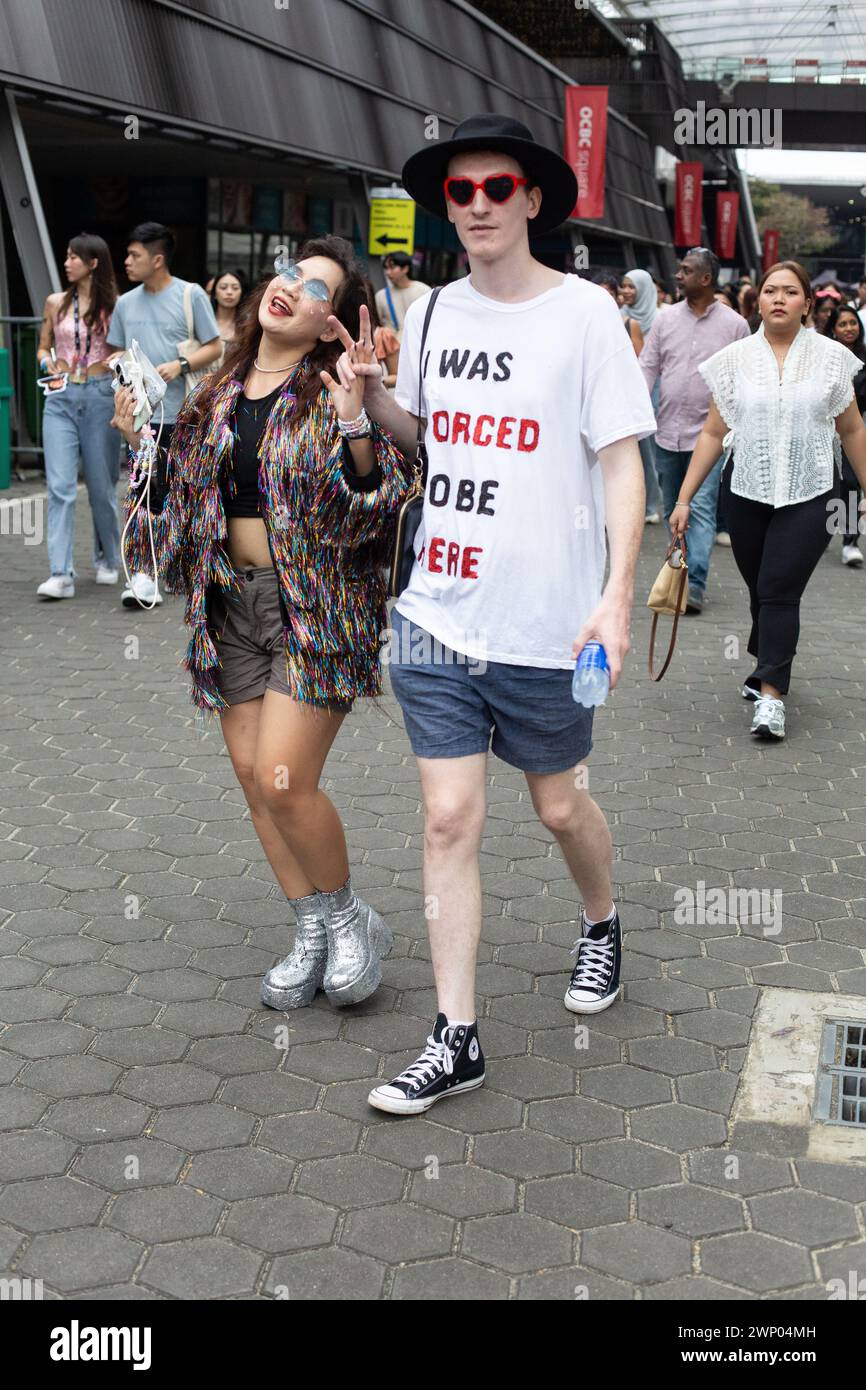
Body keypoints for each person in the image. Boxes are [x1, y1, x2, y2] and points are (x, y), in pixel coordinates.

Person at [328, 113, 656, 1116]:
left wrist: (612, 595)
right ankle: (455, 1035)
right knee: (445, 817)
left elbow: (618, 461)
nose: (472, 205)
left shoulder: (584, 316)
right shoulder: (428, 314)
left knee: (556, 806)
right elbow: (424, 440)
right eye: (456, 192)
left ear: (530, 199)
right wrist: (366, 400)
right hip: (434, 611)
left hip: (545, 622)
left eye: (492, 187)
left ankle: (597, 919)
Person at [114, 236, 413, 1011]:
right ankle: (311, 928)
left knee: (285, 778)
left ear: (327, 325)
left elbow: (373, 514)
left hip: (313, 610)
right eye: (287, 274)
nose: (289, 288)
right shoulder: (216, 394)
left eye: (314, 288)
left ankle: (353, 920)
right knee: (253, 779)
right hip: (229, 606)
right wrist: (138, 450)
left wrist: (354, 421)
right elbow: (172, 525)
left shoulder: (334, 389)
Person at [670, 261, 866, 740]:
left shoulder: (834, 359)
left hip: (813, 488)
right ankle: (766, 656)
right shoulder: (733, 360)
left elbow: (852, 428)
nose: (779, 298)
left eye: (791, 292)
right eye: (771, 290)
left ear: (807, 304)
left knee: (780, 587)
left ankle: (772, 693)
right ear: (757, 300)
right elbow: (715, 431)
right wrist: (682, 499)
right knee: (760, 586)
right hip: (746, 490)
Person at [105, 222, 222, 607]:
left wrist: (180, 364)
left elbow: (215, 347)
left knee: (180, 491)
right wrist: (121, 368)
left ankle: (175, 564)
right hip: (140, 418)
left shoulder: (190, 295)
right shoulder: (124, 303)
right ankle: (142, 572)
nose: (126, 262)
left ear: (157, 259)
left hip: (183, 413)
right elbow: (117, 351)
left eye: (134, 255)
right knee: (142, 489)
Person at [639, 246, 750, 613]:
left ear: (705, 278)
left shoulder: (735, 325)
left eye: (685, 270)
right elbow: (648, 366)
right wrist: (636, 409)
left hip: (711, 437)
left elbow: (741, 382)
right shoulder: (666, 319)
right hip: (665, 432)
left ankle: (695, 584)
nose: (677, 274)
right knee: (674, 509)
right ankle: (675, 577)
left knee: (700, 509)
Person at [35, 233, 120, 600]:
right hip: (61, 395)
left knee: (101, 488)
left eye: (74, 257)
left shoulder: (116, 305)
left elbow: (121, 351)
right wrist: (47, 362)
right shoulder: (56, 302)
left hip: (101, 395)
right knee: (60, 487)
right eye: (67, 256)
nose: (67, 262)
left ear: (94, 263)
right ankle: (60, 572)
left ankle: (107, 557)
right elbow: (43, 345)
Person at [621, 268, 663, 524]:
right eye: (624, 286)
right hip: (627, 389)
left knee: (650, 449)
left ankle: (652, 503)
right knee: (637, 448)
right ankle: (647, 503)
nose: (626, 291)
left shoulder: (661, 319)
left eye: (631, 287)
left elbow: (645, 362)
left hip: (654, 388)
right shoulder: (617, 316)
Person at [825, 304, 866, 567]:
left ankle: (850, 542)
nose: (849, 328)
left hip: (853, 432)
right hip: (821, 432)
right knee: (831, 487)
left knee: (851, 484)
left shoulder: (864, 360)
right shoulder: (826, 358)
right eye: (843, 324)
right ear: (834, 329)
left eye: (853, 323)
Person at [373, 251, 429, 338]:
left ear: (405, 268)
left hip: (418, 344)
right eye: (386, 268)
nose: (388, 272)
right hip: (392, 349)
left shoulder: (424, 291)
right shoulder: (381, 296)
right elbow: (375, 324)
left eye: (392, 267)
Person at [210, 267, 248, 367]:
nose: (229, 292)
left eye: (235, 288)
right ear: (214, 293)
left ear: (241, 293)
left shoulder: (248, 324)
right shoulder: (203, 321)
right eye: (223, 287)